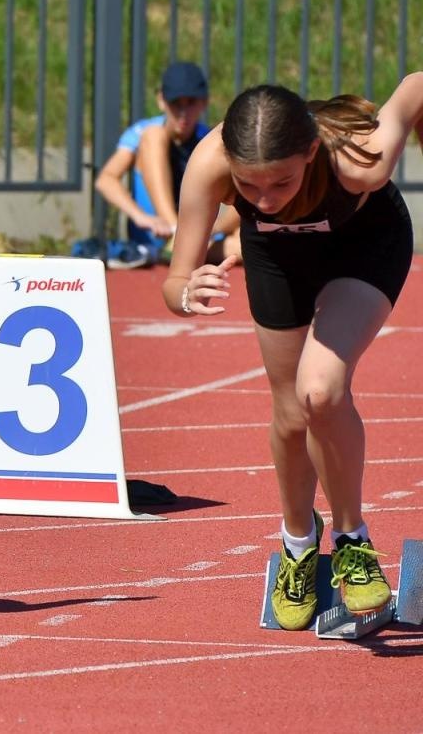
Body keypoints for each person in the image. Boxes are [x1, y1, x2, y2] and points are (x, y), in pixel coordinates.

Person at [163, 79, 421, 629]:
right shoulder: (208, 163)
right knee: (288, 409)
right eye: (247, 186)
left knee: (321, 391)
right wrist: (187, 292)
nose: (263, 200)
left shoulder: (359, 158)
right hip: (278, 261)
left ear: (308, 153)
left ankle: (352, 542)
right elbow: (174, 280)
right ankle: (299, 544)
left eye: (280, 182)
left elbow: (417, 87)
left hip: (363, 247)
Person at [94, 60, 240, 268]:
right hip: (158, 233)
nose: (183, 113)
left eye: (191, 103)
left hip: (201, 238)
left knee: (247, 241)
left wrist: (218, 228)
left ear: (204, 102)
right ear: (161, 101)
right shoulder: (143, 132)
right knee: (153, 136)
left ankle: (187, 247)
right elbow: (106, 180)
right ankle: (176, 233)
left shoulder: (207, 138)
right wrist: (141, 217)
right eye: (176, 104)